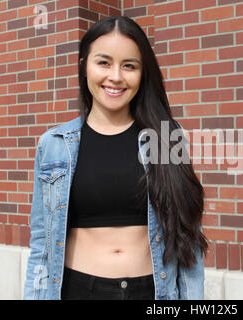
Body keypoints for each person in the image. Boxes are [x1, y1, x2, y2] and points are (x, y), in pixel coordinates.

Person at [23, 15, 207, 300]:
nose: (116, 76)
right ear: (84, 65)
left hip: (153, 292)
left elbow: (188, 240)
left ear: (142, 73)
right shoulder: (54, 145)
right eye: (104, 62)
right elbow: (41, 244)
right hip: (78, 290)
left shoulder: (167, 138)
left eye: (129, 66)